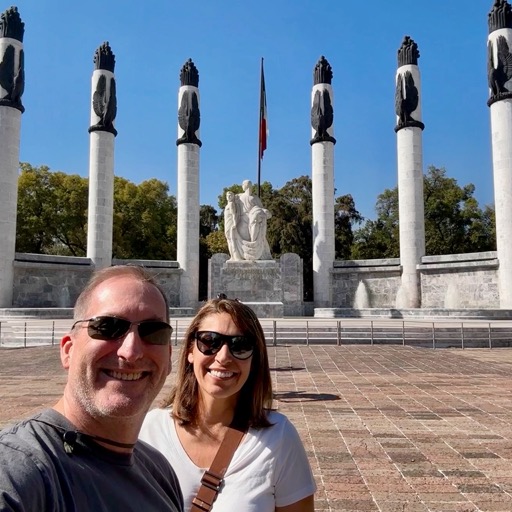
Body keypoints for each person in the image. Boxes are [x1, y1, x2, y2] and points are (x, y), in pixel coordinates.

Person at [0, 265, 184, 512]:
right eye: (108, 327)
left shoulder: (159, 471)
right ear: (68, 350)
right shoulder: (17, 471)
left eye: (154, 332)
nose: (131, 352)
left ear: (169, 356)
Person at [140, 297, 316, 511]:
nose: (223, 357)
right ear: (190, 351)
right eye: (209, 341)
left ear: (255, 359)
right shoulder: (149, 431)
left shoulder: (279, 437)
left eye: (240, 346)